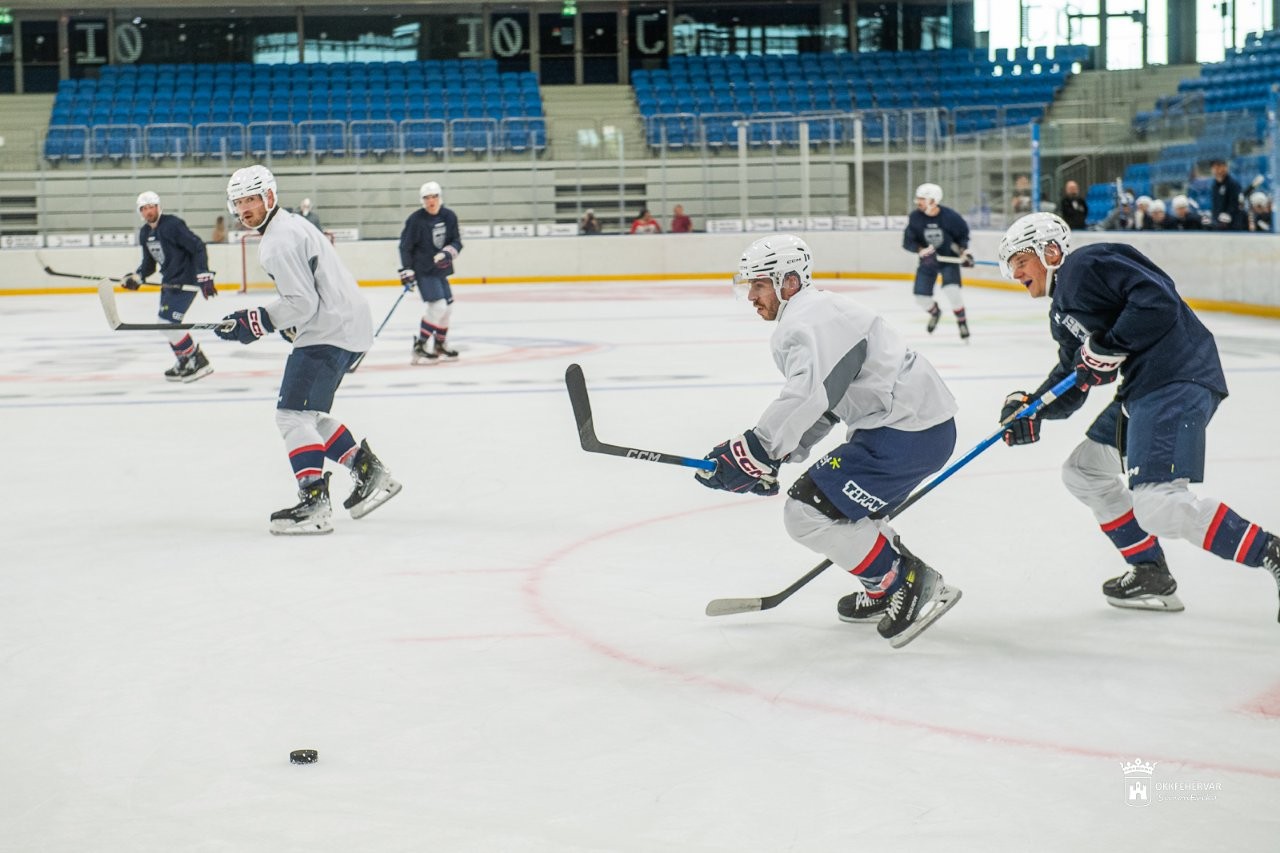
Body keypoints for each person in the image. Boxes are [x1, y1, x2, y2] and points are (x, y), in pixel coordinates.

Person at [995, 212, 1280, 617]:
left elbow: (1157, 298)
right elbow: (1074, 376)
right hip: (1143, 391)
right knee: (1083, 470)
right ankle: (1150, 572)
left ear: (1051, 250)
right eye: (1012, 266)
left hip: (1176, 378)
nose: (1016, 272)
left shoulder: (1085, 265)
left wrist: (1110, 343)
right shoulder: (1062, 311)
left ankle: (1272, 552)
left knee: (1159, 505)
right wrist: (1031, 407)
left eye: (1021, 260)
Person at [695, 234, 963, 647]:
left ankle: (904, 581)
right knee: (845, 513)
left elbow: (809, 395)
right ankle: (884, 586)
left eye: (760, 284)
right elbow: (826, 406)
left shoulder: (809, 320)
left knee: (806, 512)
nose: (751, 295)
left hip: (907, 431)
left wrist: (756, 450)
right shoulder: (818, 313)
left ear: (789, 281)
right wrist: (773, 457)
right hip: (914, 428)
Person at [216, 164, 401, 535]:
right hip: (344, 324)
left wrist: (256, 321)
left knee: (290, 416)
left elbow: (301, 303)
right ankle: (369, 470)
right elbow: (308, 294)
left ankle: (314, 502)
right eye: (239, 202)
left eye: (251, 199)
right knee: (308, 413)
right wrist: (282, 321)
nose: (245, 209)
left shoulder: (278, 240)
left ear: (269, 196)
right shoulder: (291, 226)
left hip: (331, 329)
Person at [122, 191, 219, 383]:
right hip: (169, 282)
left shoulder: (172, 225)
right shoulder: (145, 233)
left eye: (152, 207)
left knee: (168, 324)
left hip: (185, 281)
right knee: (163, 324)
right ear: (140, 211)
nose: (149, 211)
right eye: (145, 208)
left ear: (159, 207)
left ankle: (199, 361)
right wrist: (137, 276)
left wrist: (203, 273)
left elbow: (198, 246)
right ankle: (183, 360)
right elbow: (149, 263)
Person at [398, 180, 463, 364]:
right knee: (438, 306)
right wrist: (407, 270)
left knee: (448, 308)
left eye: (434, 196)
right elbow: (405, 247)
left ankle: (439, 345)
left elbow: (457, 241)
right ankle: (420, 345)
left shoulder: (449, 216)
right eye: (427, 198)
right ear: (422, 200)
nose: (431, 201)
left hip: (441, 271)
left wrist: (447, 253)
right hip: (424, 270)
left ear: (440, 197)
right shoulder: (415, 220)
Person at [901, 182, 972, 341]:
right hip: (928, 262)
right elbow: (907, 241)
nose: (918, 202)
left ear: (933, 201)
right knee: (921, 298)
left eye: (922, 199)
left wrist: (965, 252)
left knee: (952, 291)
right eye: (918, 199)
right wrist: (921, 250)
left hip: (949, 260)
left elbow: (963, 236)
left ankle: (962, 322)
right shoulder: (915, 218)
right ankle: (935, 312)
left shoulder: (951, 217)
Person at [1209, 159, 1247, 231]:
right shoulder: (1214, 185)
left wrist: (1228, 215)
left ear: (1225, 167)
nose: (1217, 170)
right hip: (1218, 225)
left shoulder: (1233, 184)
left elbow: (1236, 204)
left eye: (1219, 167)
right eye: (1214, 168)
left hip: (1232, 226)